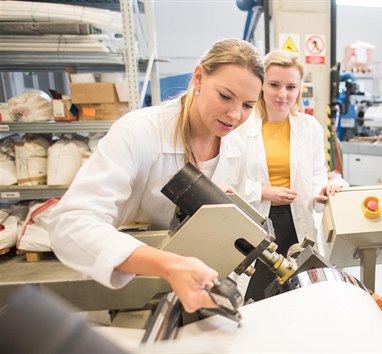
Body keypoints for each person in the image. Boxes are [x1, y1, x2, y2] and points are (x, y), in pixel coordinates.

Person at [47, 39, 264, 313]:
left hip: (197, 300)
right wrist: (168, 265)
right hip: (127, 298)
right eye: (225, 96)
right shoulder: (138, 133)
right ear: (199, 78)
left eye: (247, 105)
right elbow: (70, 224)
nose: (234, 115)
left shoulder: (236, 149)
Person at [238, 50, 340, 301]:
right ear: (261, 84)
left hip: (297, 220)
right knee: (256, 291)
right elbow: (229, 181)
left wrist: (322, 192)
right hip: (258, 218)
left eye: (291, 86)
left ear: (299, 89)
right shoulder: (242, 125)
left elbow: (318, 175)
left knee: (299, 287)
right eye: (274, 85)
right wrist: (263, 191)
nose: (282, 94)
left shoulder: (310, 127)